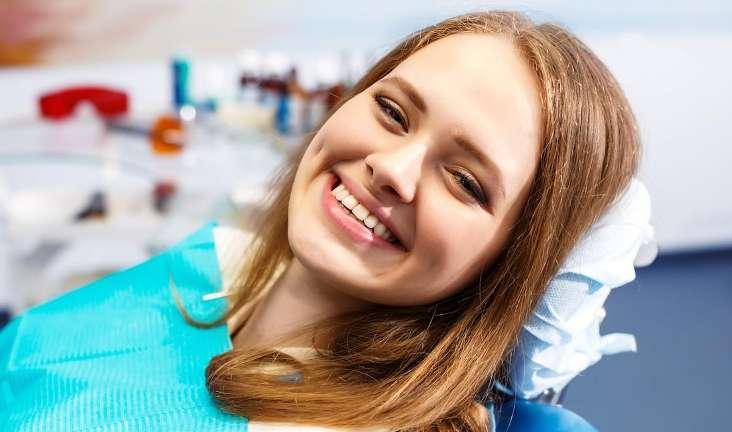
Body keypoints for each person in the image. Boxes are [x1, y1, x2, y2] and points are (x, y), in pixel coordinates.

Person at [0, 10, 641, 432]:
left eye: (466, 180)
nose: (394, 168)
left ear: (514, 262)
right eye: (393, 112)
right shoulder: (214, 260)